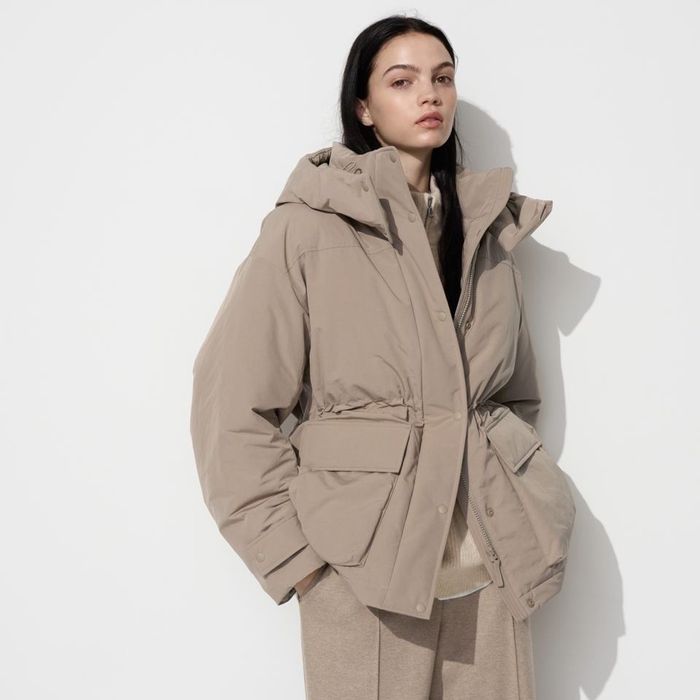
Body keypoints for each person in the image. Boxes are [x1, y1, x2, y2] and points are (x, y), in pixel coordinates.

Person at [189, 14, 576, 700]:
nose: (430, 94)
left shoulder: (486, 236)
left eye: (443, 78)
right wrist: (300, 562)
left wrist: (515, 494)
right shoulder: (305, 229)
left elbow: (515, 398)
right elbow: (231, 409)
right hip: (363, 577)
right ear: (363, 107)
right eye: (402, 81)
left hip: (493, 571)